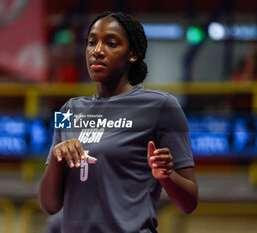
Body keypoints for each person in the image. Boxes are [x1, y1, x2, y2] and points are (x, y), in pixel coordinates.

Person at [39, 12, 198, 233]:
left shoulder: (162, 106)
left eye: (111, 43)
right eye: (92, 42)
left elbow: (189, 203)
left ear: (132, 53)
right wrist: (57, 158)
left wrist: (167, 176)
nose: (97, 51)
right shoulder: (68, 110)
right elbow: (49, 205)